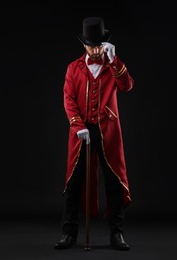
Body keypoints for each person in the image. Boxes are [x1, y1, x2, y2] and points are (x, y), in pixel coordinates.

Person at [54, 16, 134, 251]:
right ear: (84, 45)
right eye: (92, 46)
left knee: (114, 182)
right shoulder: (73, 68)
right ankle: (69, 233)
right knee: (73, 182)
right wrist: (78, 126)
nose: (96, 50)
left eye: (100, 45)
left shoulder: (112, 65)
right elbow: (68, 99)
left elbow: (127, 85)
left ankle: (116, 233)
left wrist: (115, 61)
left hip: (108, 131)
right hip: (81, 132)